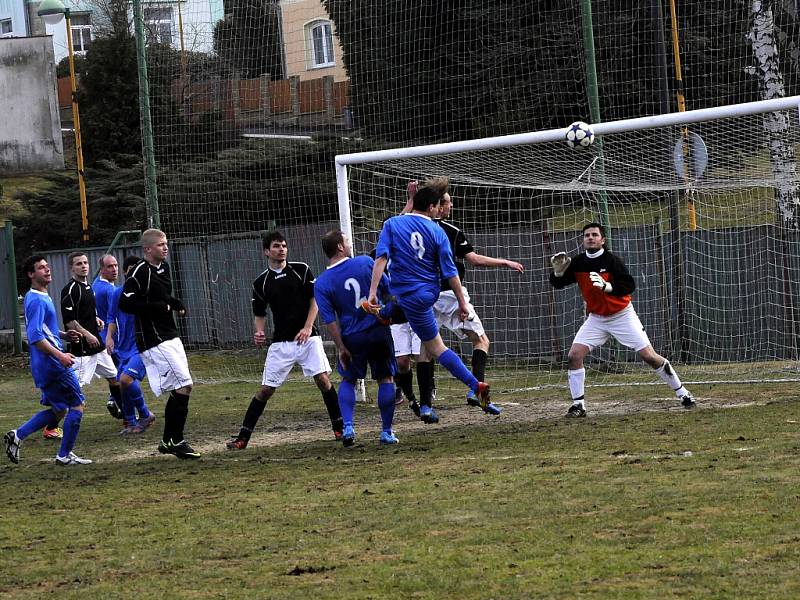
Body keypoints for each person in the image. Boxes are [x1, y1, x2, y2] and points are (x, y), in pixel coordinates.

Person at [366, 184, 491, 424]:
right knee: (431, 349)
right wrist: (462, 302)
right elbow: (450, 272)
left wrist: (372, 292)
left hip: (408, 298)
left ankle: (474, 388)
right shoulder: (437, 232)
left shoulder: (392, 223)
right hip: (427, 296)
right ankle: (460, 393)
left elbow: (381, 258)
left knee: (433, 349)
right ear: (432, 207)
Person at [549, 222, 697, 417]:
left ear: (603, 239)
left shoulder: (612, 260)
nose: (590, 238)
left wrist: (608, 287)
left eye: (594, 234)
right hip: (597, 318)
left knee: (649, 356)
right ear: (583, 240)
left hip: (622, 315)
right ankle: (579, 405)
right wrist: (558, 272)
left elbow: (628, 285)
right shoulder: (578, 262)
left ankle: (683, 393)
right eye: (587, 235)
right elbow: (559, 284)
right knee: (574, 356)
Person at [408, 177, 524, 417]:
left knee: (425, 351)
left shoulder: (409, 228)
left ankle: (426, 405)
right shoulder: (447, 231)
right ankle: (475, 390)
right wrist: (504, 261)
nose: (451, 206)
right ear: (437, 206)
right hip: (450, 294)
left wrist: (410, 200)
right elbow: (472, 259)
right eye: (447, 202)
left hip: (422, 296)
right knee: (481, 340)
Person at [226, 231, 343, 450]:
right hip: (281, 343)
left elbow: (315, 299)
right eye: (277, 246)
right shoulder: (261, 282)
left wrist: (308, 327)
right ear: (266, 251)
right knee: (265, 390)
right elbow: (259, 313)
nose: (282, 249)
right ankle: (243, 438)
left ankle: (340, 428)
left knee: (323, 380)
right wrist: (259, 332)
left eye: (284, 246)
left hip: (308, 339)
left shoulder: (301, 269)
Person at [118, 229, 200, 459]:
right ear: (147, 249)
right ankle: (176, 440)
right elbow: (126, 304)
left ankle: (169, 440)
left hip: (170, 334)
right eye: (161, 244)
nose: (165, 247)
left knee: (182, 386)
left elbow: (161, 297)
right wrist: (156, 308)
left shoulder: (163, 268)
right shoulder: (139, 272)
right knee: (184, 384)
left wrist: (175, 303)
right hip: (153, 339)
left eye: (166, 244)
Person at [4, 256, 92, 466]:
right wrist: (60, 355)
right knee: (77, 405)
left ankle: (18, 435)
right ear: (31, 275)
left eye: (47, 266)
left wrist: (63, 335)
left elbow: (44, 330)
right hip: (52, 365)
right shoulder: (36, 300)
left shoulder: (40, 296)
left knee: (59, 409)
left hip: (45, 365)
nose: (47, 270)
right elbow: (34, 337)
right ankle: (64, 455)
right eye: (41, 268)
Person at [314, 229, 399, 446]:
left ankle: (349, 427)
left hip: (352, 337)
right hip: (378, 330)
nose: (350, 245)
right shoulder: (364, 262)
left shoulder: (322, 282)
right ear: (340, 247)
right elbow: (389, 290)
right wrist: (387, 312)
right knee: (385, 379)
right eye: (348, 242)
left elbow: (329, 321)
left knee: (349, 380)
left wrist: (341, 347)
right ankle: (386, 432)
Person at [60, 252, 122, 412]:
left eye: (85, 263)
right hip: (82, 350)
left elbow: (88, 311)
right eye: (79, 264)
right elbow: (69, 320)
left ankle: (125, 415)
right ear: (71, 268)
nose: (83, 266)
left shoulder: (88, 287)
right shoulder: (70, 290)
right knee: (72, 390)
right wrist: (87, 334)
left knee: (114, 378)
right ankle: (52, 424)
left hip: (98, 347)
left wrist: (96, 319)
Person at [106, 255, 156, 435]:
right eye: (133, 269)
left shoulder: (146, 292)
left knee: (125, 379)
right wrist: (109, 337)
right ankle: (130, 422)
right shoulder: (117, 293)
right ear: (126, 272)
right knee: (121, 384)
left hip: (142, 346)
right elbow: (111, 317)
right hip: (123, 347)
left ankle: (145, 414)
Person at [92, 253, 125, 420]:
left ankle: (116, 401)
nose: (114, 269)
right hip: (112, 338)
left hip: (100, 337)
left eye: (116, 265)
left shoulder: (95, 286)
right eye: (109, 266)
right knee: (124, 373)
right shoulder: (110, 290)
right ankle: (119, 403)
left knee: (117, 373)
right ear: (102, 269)